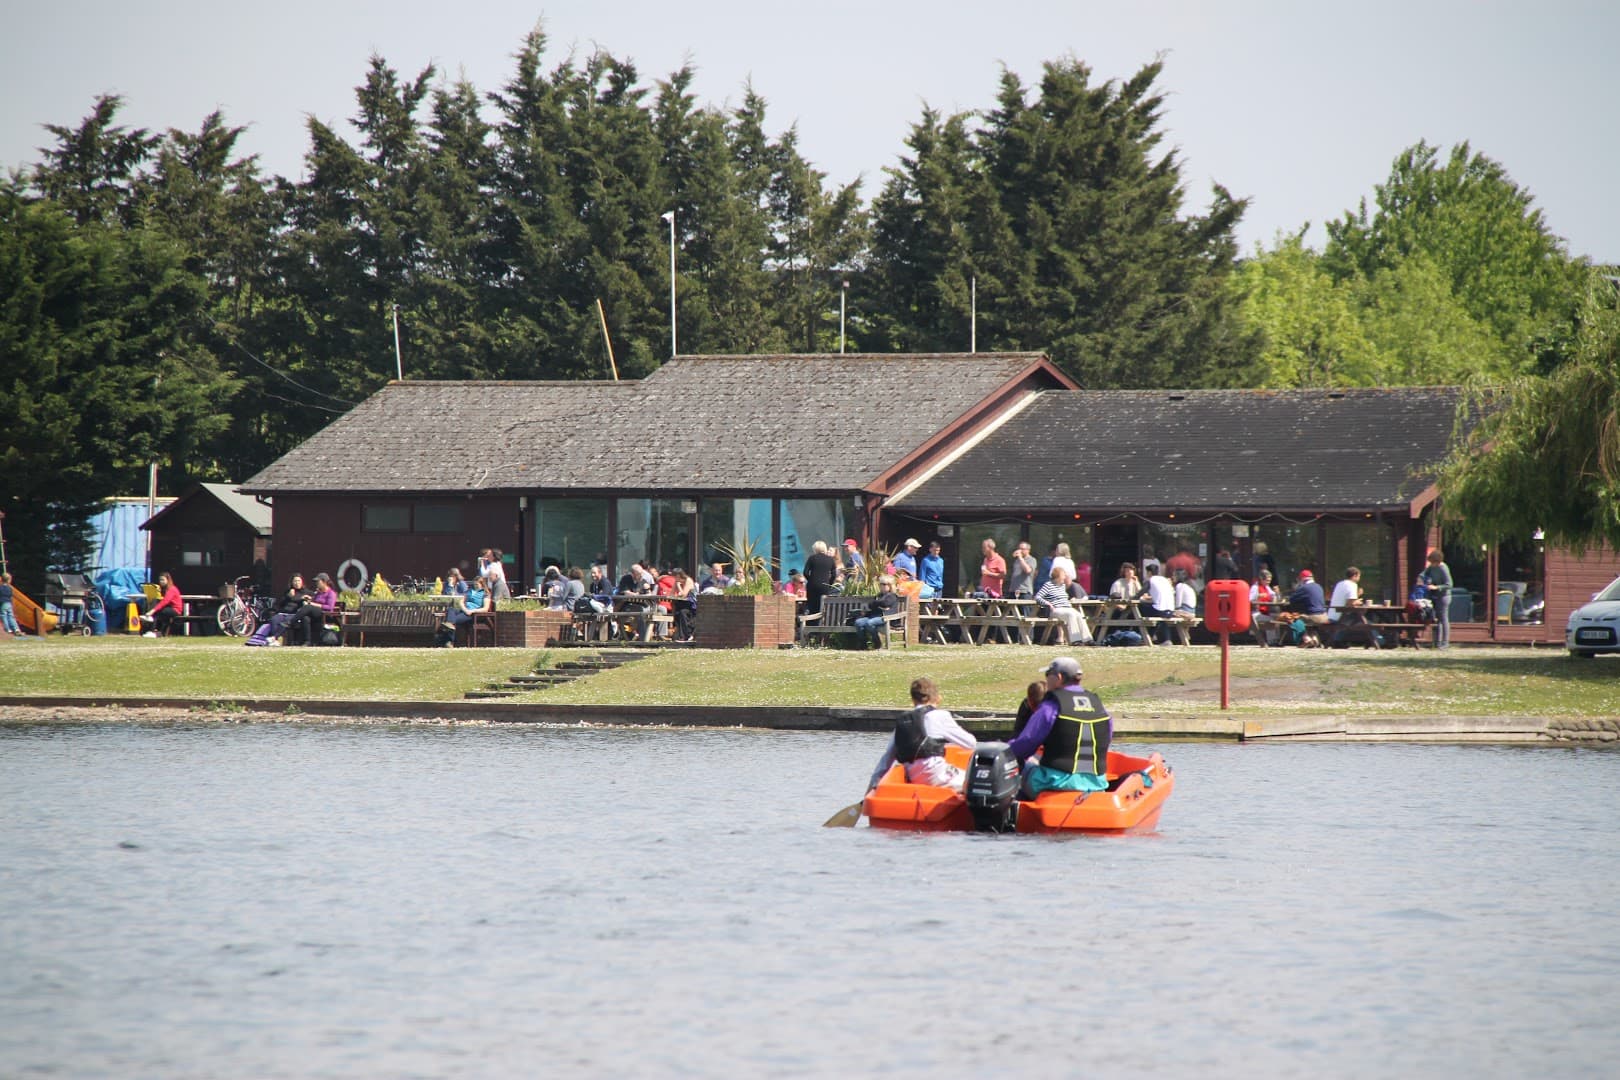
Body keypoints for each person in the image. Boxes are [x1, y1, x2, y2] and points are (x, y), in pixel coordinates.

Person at [1006, 657, 1112, 799]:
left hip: (1054, 783)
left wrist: (1004, 749)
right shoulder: (1099, 706)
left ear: (1059, 677)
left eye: (1048, 675)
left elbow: (1025, 745)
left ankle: (1017, 811)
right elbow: (1106, 739)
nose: (1046, 679)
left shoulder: (1050, 707)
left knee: (1025, 768)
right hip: (1096, 784)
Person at [866, 676, 977, 792]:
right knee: (975, 782)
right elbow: (971, 743)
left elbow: (886, 760)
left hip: (914, 779)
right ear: (936, 698)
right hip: (937, 776)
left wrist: (870, 790)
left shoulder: (902, 723)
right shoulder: (940, 715)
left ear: (913, 700)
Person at [1035, 565, 1093, 645]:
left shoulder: (1062, 586)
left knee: (1079, 615)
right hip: (1056, 609)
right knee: (1071, 615)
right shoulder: (1048, 585)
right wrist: (1047, 603)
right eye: (1063, 575)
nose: (1065, 577)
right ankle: (1075, 640)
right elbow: (1038, 597)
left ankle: (1087, 639)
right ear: (1058, 576)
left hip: (1067, 607)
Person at [284, 572, 338, 646]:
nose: (316, 583)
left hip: (325, 614)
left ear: (324, 582)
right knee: (306, 618)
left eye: (318, 581)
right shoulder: (318, 593)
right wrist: (309, 600)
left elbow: (329, 607)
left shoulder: (331, 593)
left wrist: (312, 604)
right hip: (315, 613)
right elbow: (313, 602)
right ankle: (307, 641)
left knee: (308, 607)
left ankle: (291, 622)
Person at [437, 574, 491, 647]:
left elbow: (485, 609)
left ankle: (449, 641)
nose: (475, 586)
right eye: (474, 584)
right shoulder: (470, 591)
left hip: (472, 613)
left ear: (482, 584)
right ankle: (449, 637)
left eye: (477, 584)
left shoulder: (485, 594)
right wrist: (464, 609)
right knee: (451, 610)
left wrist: (472, 611)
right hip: (465, 610)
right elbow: (461, 601)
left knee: (452, 621)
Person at [852, 574, 903, 648]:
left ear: (890, 586)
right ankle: (863, 643)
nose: (881, 586)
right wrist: (878, 604)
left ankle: (877, 642)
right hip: (874, 616)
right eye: (881, 584)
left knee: (870, 623)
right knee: (858, 622)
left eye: (884, 584)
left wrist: (877, 603)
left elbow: (885, 603)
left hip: (885, 617)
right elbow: (871, 605)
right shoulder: (879, 595)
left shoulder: (892, 596)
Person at [1282, 568, 1330, 645]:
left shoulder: (1304, 588)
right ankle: (1314, 638)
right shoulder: (1319, 587)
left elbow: (1291, 599)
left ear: (1302, 579)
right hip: (1324, 616)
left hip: (1314, 617)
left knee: (1291, 618)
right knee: (1307, 619)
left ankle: (1306, 638)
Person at [1422, 549, 1454, 648]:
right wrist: (1426, 580)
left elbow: (1449, 584)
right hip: (1435, 596)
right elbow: (1423, 574)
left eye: (1433, 562)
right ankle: (1438, 642)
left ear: (1438, 561)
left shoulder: (1443, 568)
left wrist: (1437, 587)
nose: (1431, 564)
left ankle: (1445, 642)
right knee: (1438, 620)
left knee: (1444, 619)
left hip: (1444, 596)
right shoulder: (1431, 567)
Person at [139, 571, 185, 638]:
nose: (161, 581)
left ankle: (152, 630)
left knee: (158, 611)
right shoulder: (166, 589)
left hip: (176, 610)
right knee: (158, 611)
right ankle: (155, 631)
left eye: (163, 580)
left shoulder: (171, 589)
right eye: (160, 580)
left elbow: (165, 601)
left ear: (168, 580)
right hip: (170, 609)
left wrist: (152, 611)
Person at [803, 540, 839, 616]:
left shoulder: (812, 558)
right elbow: (834, 574)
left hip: (812, 586)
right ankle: (821, 623)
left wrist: (811, 580)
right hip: (825, 586)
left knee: (812, 605)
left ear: (815, 549)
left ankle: (811, 624)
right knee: (822, 606)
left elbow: (805, 572)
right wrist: (829, 584)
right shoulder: (830, 559)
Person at [1144, 562, 1175, 642]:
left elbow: (1140, 594)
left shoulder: (1151, 580)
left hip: (1160, 611)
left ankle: (1146, 635)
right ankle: (1155, 637)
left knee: (1140, 609)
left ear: (1149, 572)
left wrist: (1133, 598)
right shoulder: (1164, 580)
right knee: (1159, 619)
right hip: (1171, 610)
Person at [1249, 568, 1280, 646]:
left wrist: (1276, 594)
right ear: (1261, 579)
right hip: (1254, 613)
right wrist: (1258, 596)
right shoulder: (1255, 587)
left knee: (1277, 618)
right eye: (1267, 580)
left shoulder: (1267, 587)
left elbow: (1272, 595)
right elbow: (1250, 599)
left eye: (1270, 580)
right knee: (1271, 620)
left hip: (1264, 612)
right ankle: (1272, 641)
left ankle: (1276, 640)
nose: (1268, 582)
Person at [1171, 569, 1199, 643]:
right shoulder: (1187, 586)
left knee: (1165, 615)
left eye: (1174, 575)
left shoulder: (1179, 586)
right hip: (1192, 612)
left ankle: (1165, 639)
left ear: (1178, 577)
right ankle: (1186, 639)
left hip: (1185, 612)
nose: (1172, 577)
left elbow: (1178, 604)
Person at [670, 567, 697, 640]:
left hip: (691, 604)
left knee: (682, 612)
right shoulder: (676, 581)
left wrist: (678, 586)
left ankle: (686, 635)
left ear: (679, 575)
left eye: (675, 576)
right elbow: (671, 594)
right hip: (682, 603)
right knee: (677, 612)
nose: (675, 578)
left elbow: (684, 594)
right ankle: (680, 635)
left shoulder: (688, 580)